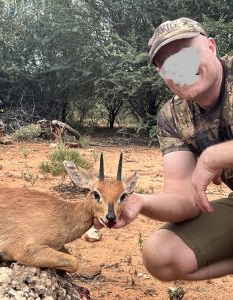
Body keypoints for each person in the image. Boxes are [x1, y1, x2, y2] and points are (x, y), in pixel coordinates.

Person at [97, 17, 233, 281]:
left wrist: (216, 155)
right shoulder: (172, 115)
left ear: (212, 47)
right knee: (161, 253)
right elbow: (184, 199)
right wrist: (140, 202)